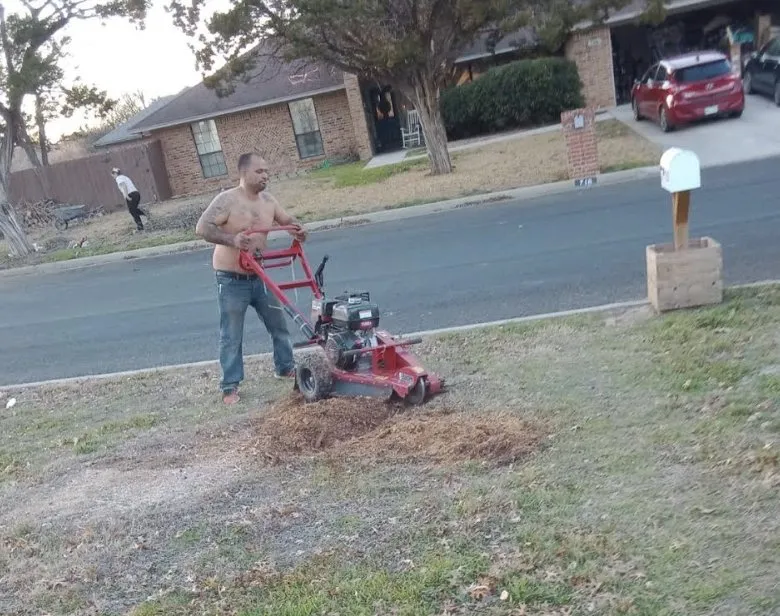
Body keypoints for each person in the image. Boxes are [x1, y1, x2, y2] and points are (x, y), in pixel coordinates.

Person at [195, 152, 307, 405]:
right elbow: (202, 228)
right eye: (259, 171)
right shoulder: (227, 200)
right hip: (231, 279)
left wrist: (298, 230)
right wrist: (231, 239)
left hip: (259, 273)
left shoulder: (268, 200)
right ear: (244, 173)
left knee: (278, 323)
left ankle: (285, 366)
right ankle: (230, 385)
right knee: (231, 333)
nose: (265, 175)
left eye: (266, 171)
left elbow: (288, 220)